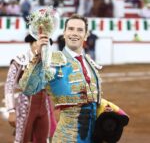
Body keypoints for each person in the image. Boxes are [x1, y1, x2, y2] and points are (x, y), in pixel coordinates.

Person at [19, 14, 129, 143]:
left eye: (80, 30)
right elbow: (27, 87)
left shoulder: (89, 62)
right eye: (70, 29)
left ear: (86, 35)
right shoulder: (53, 61)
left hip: (93, 138)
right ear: (64, 33)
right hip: (68, 138)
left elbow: (91, 97)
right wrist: (38, 58)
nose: (74, 33)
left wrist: (105, 107)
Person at [5, 34, 57, 143]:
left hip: (44, 104)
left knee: (43, 139)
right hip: (26, 104)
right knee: (21, 139)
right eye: (40, 43)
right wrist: (11, 110)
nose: (44, 47)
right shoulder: (20, 60)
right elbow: (9, 85)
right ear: (32, 44)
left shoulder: (47, 62)